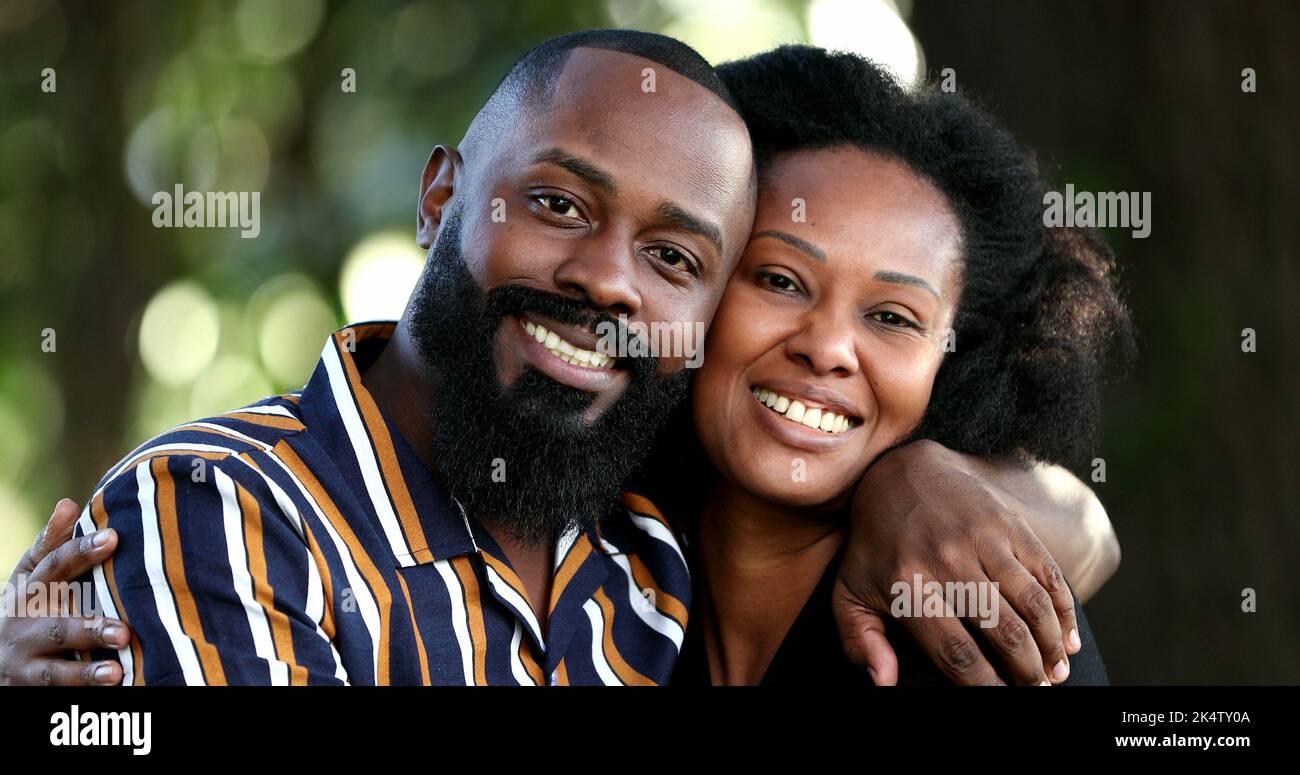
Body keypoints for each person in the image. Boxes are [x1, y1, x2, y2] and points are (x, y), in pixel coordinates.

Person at [0, 31, 1116, 686]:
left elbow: (1078, 522)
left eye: (675, 252)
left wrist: (931, 478)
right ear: (441, 195)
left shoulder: (634, 559)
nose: (610, 279)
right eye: (556, 202)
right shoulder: (224, 510)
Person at [656, 46, 1132, 685]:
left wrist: (919, 472)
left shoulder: (980, 628)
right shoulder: (587, 566)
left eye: (893, 318)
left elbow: (1092, 534)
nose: (826, 348)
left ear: (959, 361)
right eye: (780, 279)